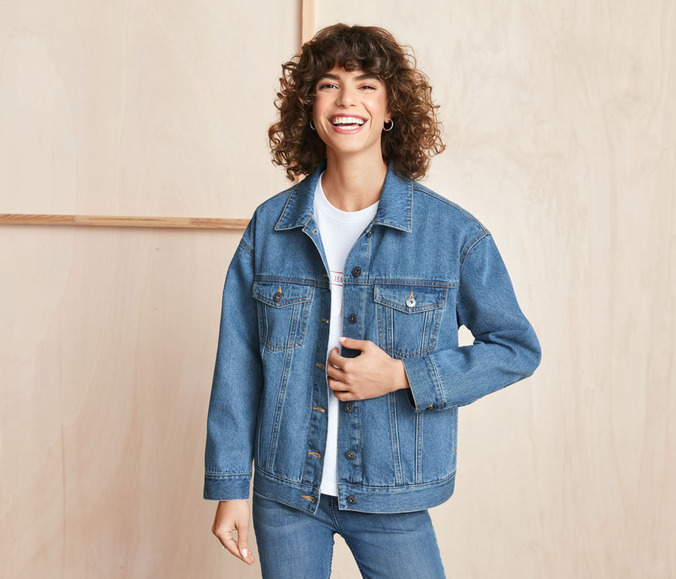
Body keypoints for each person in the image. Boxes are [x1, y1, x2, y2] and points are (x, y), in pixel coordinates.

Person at [204, 23, 541, 579]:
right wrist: (230, 487)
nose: (346, 100)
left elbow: (515, 348)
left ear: (390, 109)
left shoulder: (451, 234)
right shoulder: (271, 226)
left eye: (366, 85)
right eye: (329, 85)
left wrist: (404, 375)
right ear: (309, 106)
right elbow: (238, 365)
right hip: (286, 494)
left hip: (393, 493)